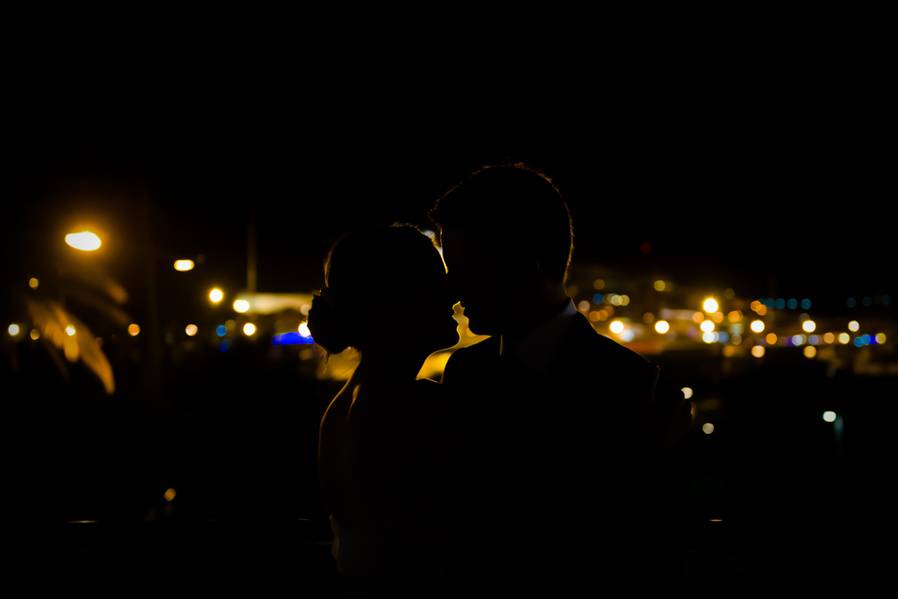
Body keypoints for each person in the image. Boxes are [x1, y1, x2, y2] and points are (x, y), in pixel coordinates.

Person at [431, 163, 686, 592]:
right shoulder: (465, 371)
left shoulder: (635, 388)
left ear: (523, 265)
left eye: (466, 269)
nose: (454, 292)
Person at [309, 225, 460, 597]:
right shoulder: (413, 406)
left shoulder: (347, 403)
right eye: (436, 283)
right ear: (393, 303)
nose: (454, 296)